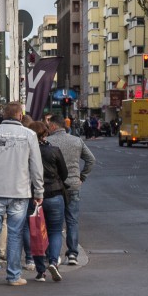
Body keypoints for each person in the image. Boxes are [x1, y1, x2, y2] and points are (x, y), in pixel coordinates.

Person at [0, 102, 43, 287]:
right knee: (15, 233)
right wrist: (39, 190)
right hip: (20, 191)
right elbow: (36, 167)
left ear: (3, 115)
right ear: (20, 116)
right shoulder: (30, 135)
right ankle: (13, 275)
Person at [44, 113, 95, 264]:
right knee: (72, 220)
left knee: (52, 222)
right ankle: (72, 253)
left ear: (53, 126)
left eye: (48, 126)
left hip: (54, 187)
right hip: (73, 185)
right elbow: (91, 160)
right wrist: (82, 177)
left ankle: (52, 254)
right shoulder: (77, 141)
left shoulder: (47, 142)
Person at [29, 121, 68, 282]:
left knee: (35, 232)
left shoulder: (28, 151)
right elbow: (64, 173)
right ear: (45, 134)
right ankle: (53, 261)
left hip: (34, 197)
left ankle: (40, 270)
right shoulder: (54, 150)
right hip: (54, 194)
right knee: (55, 231)